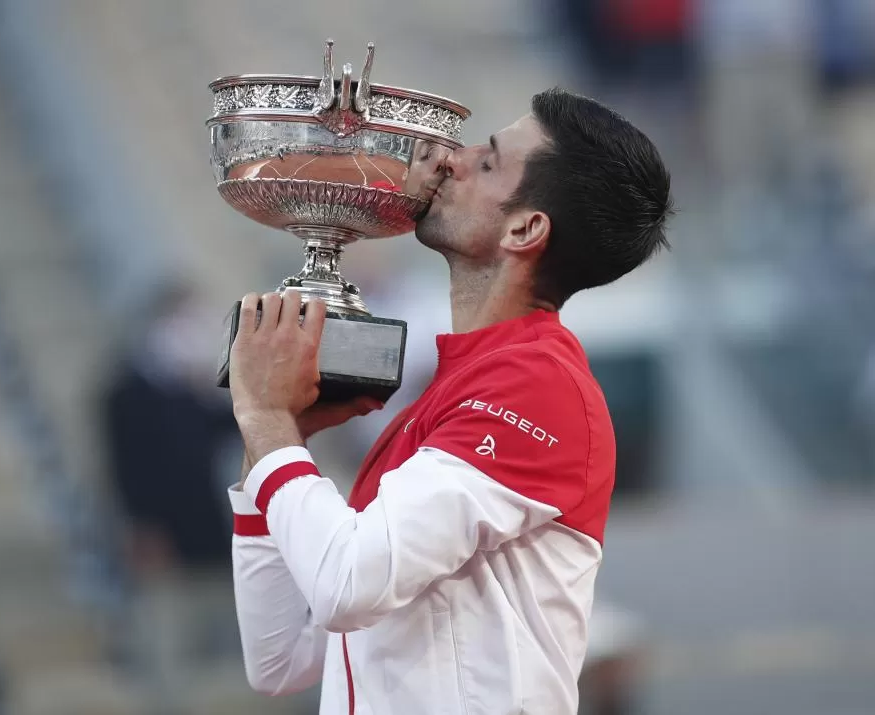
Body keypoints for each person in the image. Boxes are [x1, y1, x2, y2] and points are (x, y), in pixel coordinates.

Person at [225, 88, 673, 715]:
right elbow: (281, 660)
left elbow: (347, 584)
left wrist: (267, 417)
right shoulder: (455, 393)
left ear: (525, 228)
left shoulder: (537, 387)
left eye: (488, 161)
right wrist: (273, 443)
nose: (452, 161)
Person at [99, 282, 243, 714]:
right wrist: (142, 528)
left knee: (229, 635)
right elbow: (124, 470)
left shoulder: (190, 394)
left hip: (210, 532)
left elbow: (238, 426)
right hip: (160, 535)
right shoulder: (125, 392)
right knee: (170, 635)